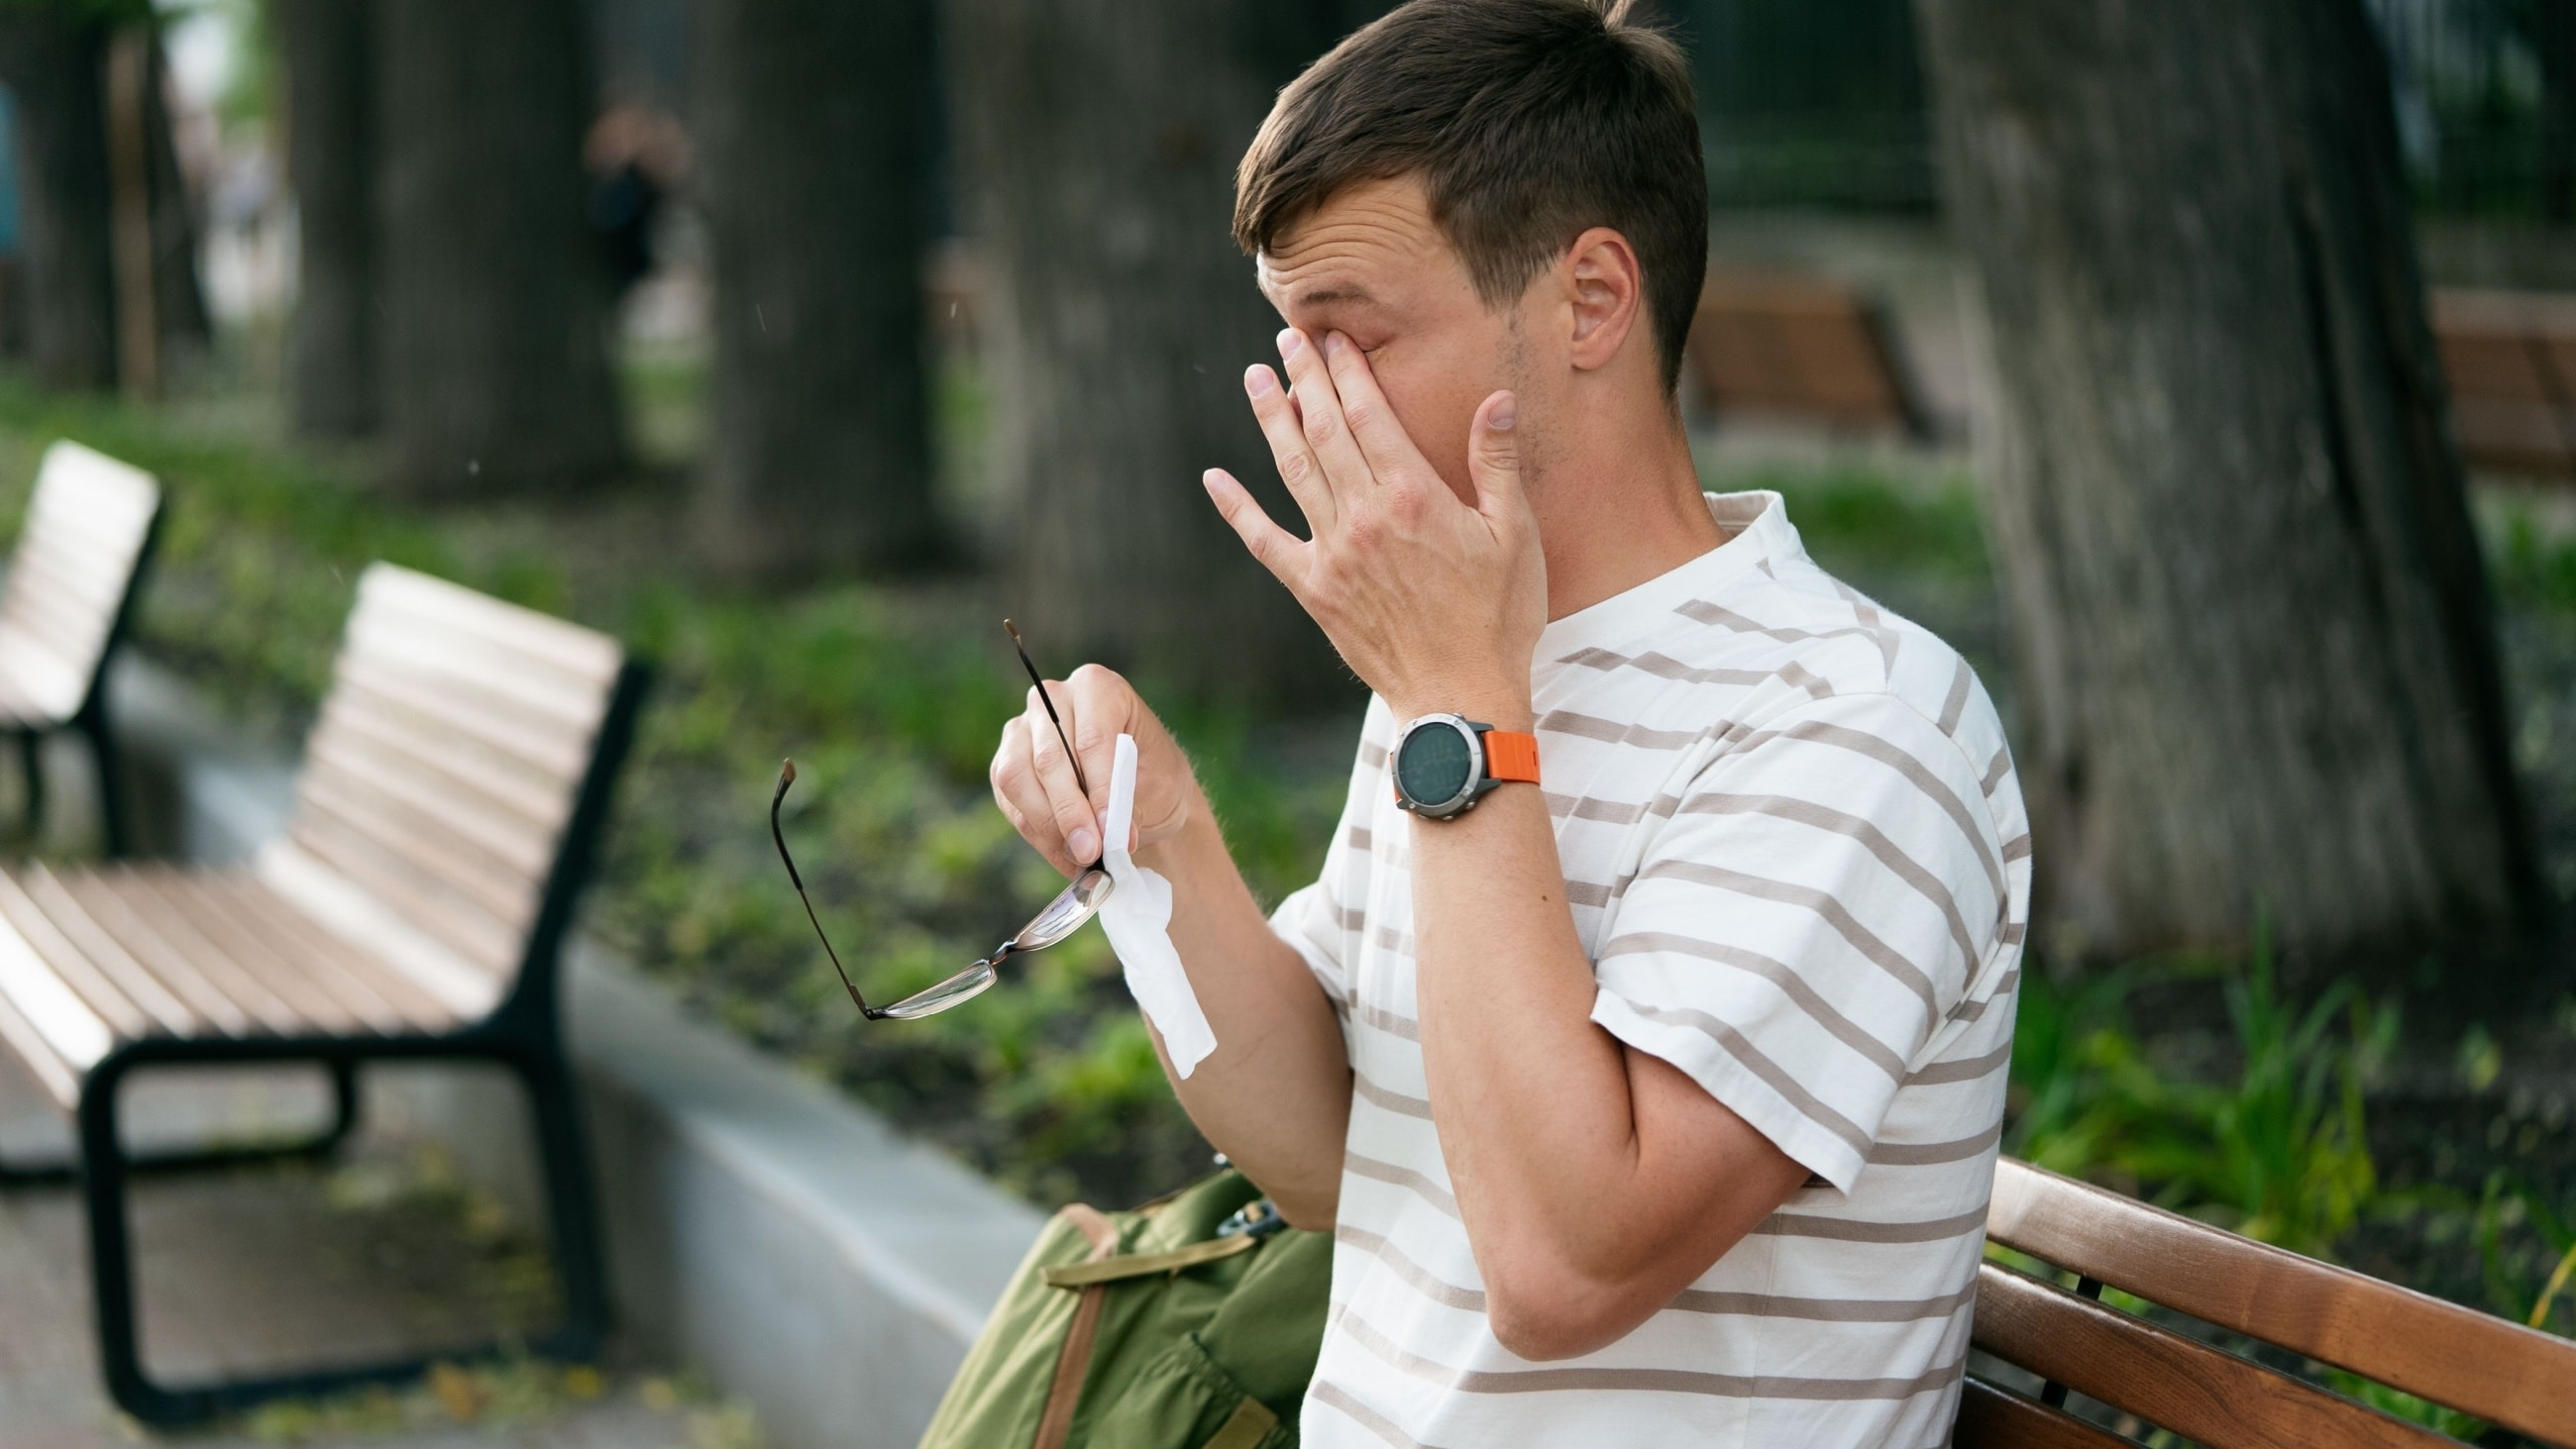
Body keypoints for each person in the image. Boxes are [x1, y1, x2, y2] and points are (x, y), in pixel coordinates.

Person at [986, 1, 2029, 1443]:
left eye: (1353, 338)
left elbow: (1561, 1268)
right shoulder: (1463, 658)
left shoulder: (1856, 726)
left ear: (1592, 300)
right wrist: (1151, 855)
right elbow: (1332, 1162)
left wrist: (1458, 718)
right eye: (1291, 342)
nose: (1308, 404)